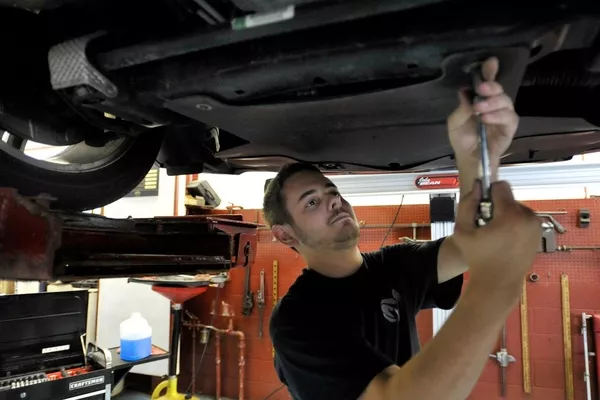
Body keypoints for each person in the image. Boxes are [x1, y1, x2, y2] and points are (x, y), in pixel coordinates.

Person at [263, 57, 542, 400]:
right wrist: (498, 283)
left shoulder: (395, 266)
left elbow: (471, 245)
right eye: (311, 202)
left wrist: (473, 157)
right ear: (285, 235)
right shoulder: (297, 319)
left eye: (332, 192)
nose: (333, 201)